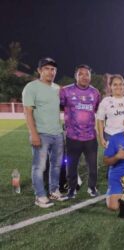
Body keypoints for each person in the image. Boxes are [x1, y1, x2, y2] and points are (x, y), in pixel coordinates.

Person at [22, 57, 66, 208]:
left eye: (53, 69)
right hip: (41, 133)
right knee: (39, 167)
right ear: (39, 70)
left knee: (56, 166)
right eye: (46, 68)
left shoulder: (57, 89)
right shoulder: (31, 87)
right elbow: (27, 113)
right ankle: (40, 196)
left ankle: (54, 191)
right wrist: (33, 134)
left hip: (58, 134)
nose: (50, 71)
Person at [60, 64, 101, 198]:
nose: (84, 77)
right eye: (81, 74)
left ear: (90, 77)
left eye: (87, 74)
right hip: (73, 137)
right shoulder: (65, 91)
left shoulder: (95, 93)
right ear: (76, 76)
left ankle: (92, 187)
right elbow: (58, 107)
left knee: (93, 167)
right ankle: (72, 189)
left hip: (90, 137)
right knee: (71, 167)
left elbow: (96, 110)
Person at [97, 75, 124, 148]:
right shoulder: (106, 101)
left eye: (121, 84)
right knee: (113, 158)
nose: (118, 87)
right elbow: (100, 120)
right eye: (115, 84)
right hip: (110, 136)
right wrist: (101, 138)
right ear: (110, 86)